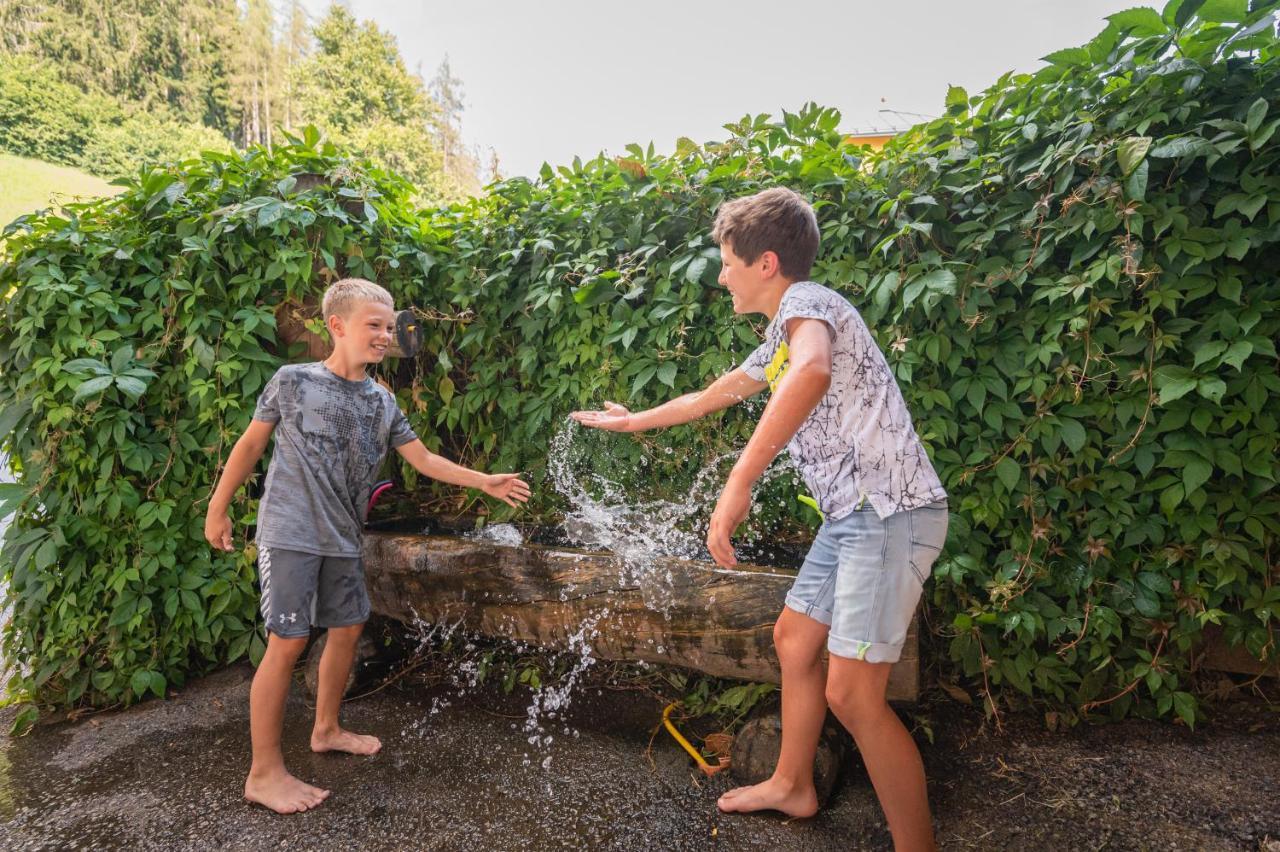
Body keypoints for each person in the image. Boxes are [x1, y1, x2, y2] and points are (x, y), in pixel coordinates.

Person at [572, 188, 948, 850]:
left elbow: (812, 374)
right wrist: (633, 421)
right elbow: (712, 394)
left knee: (855, 699)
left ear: (766, 262)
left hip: (889, 514)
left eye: (726, 262)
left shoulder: (810, 308)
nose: (721, 276)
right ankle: (792, 784)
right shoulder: (782, 330)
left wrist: (738, 481)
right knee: (796, 641)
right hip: (853, 520)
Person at [205, 277, 530, 814]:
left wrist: (482, 480)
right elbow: (250, 444)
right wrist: (218, 508)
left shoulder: (381, 400)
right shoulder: (292, 381)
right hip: (290, 533)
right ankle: (263, 773)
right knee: (286, 643)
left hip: (341, 536)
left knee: (348, 628)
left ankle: (326, 729)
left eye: (388, 325)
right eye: (373, 325)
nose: (385, 335)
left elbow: (423, 459)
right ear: (337, 326)